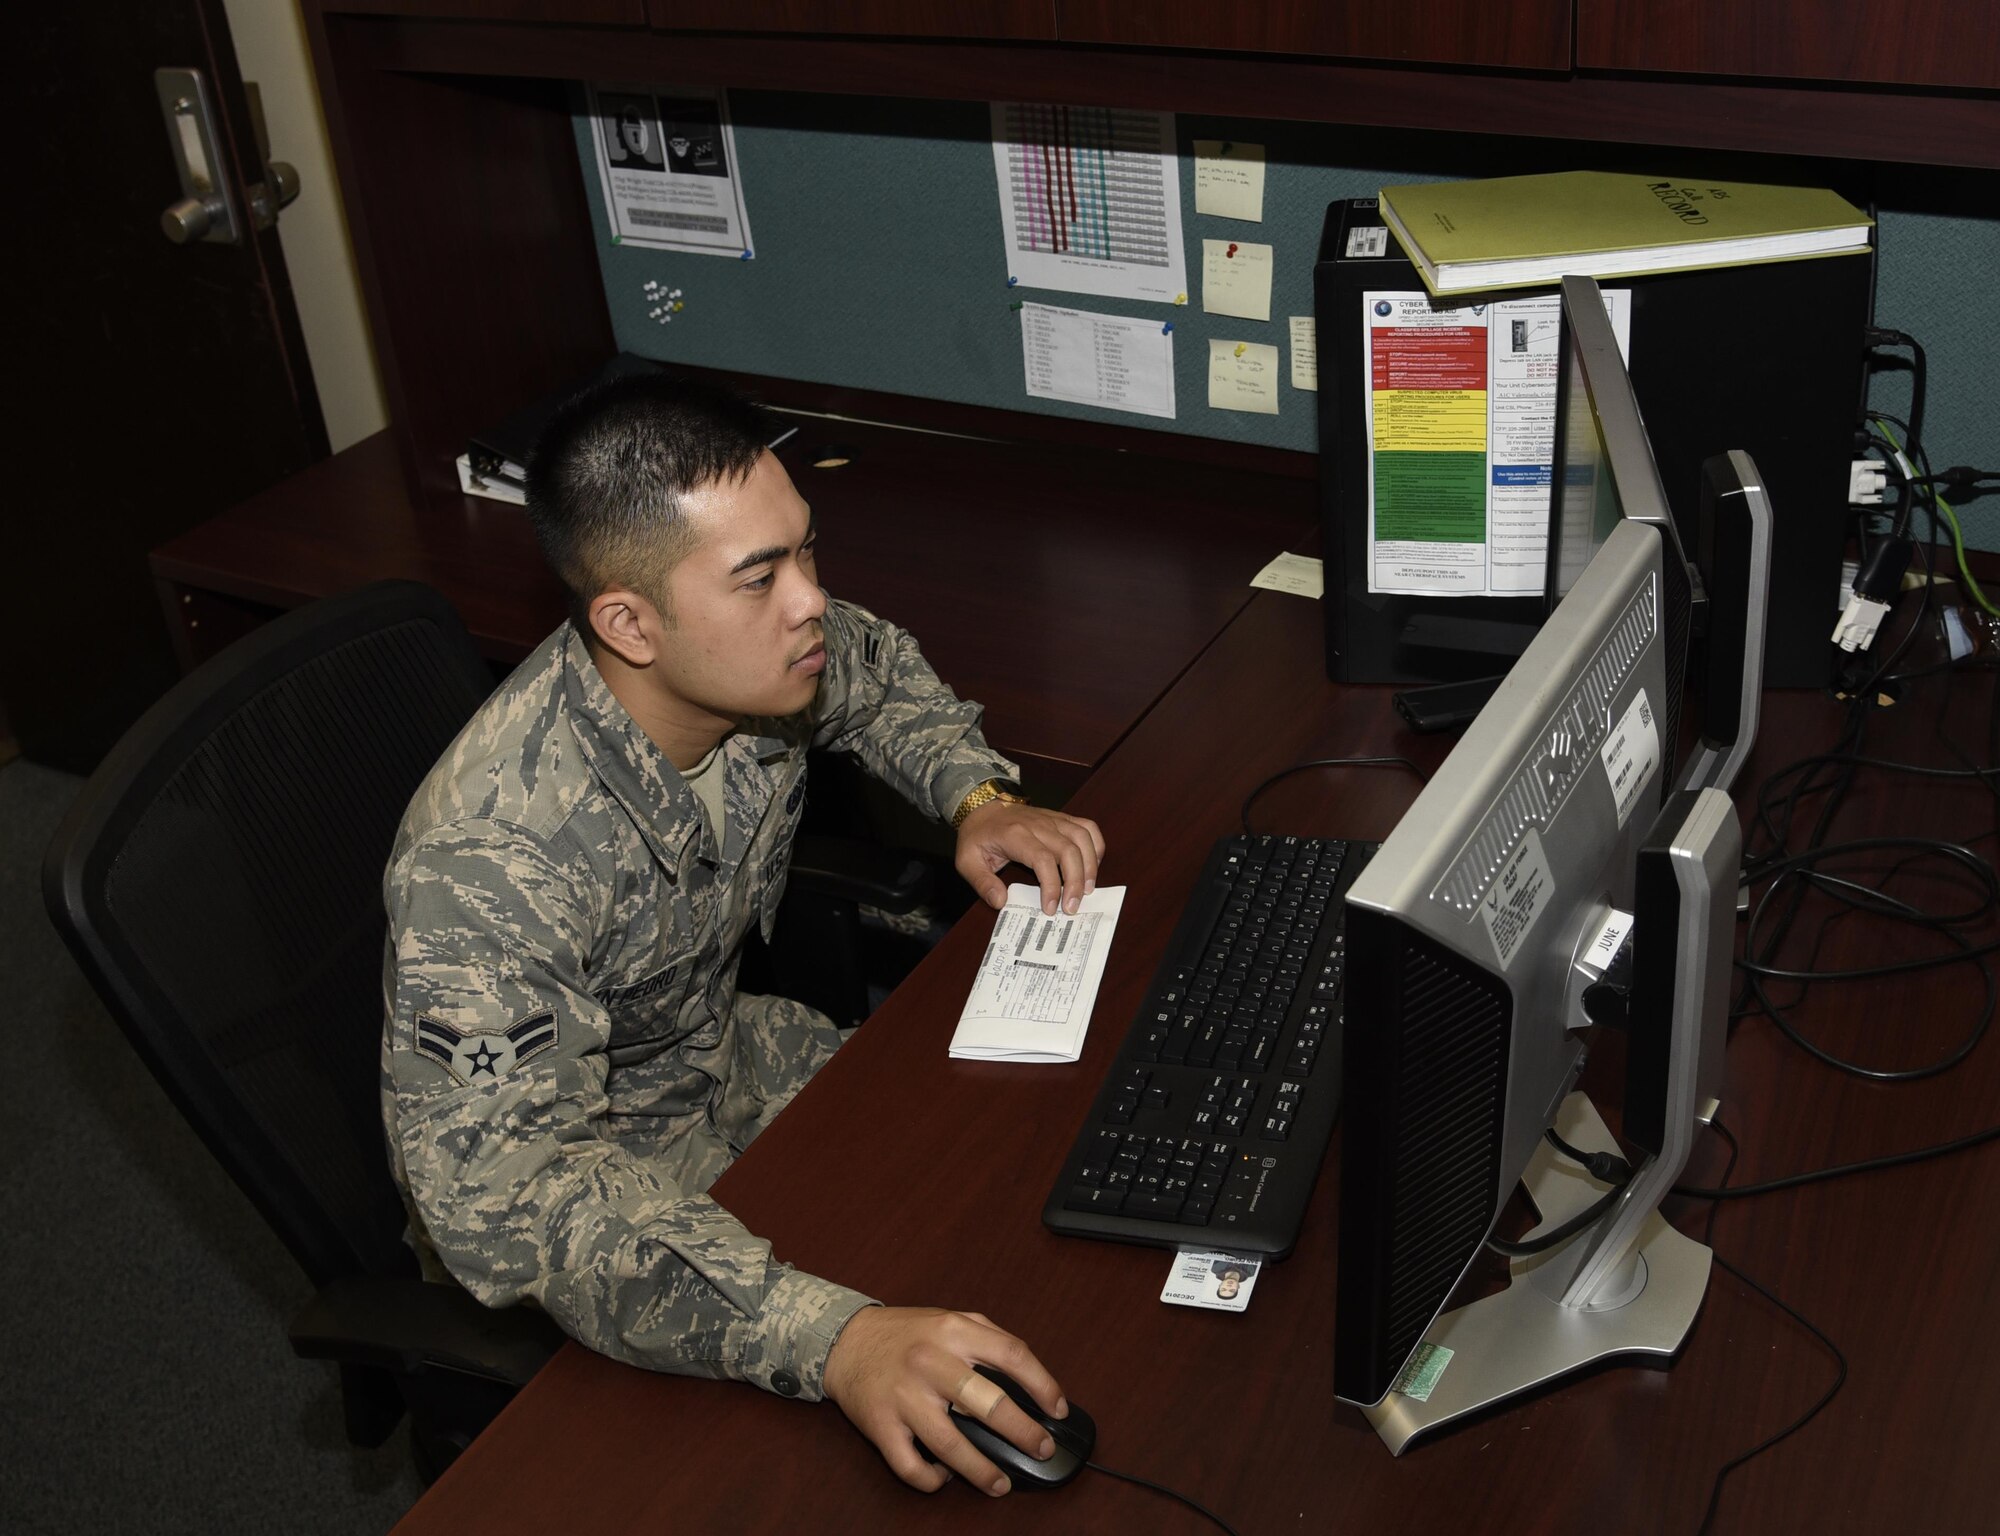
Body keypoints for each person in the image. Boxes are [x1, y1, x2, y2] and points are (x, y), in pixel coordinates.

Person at [380, 374, 1105, 1496]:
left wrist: (975, 797)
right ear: (627, 621)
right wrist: (832, 1340)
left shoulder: (755, 663)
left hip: (720, 1058)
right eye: (760, 578)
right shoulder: (491, 863)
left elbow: (874, 669)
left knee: (1026, 1185)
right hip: (595, 1204)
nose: (811, 601)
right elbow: (515, 1207)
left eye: (806, 553)